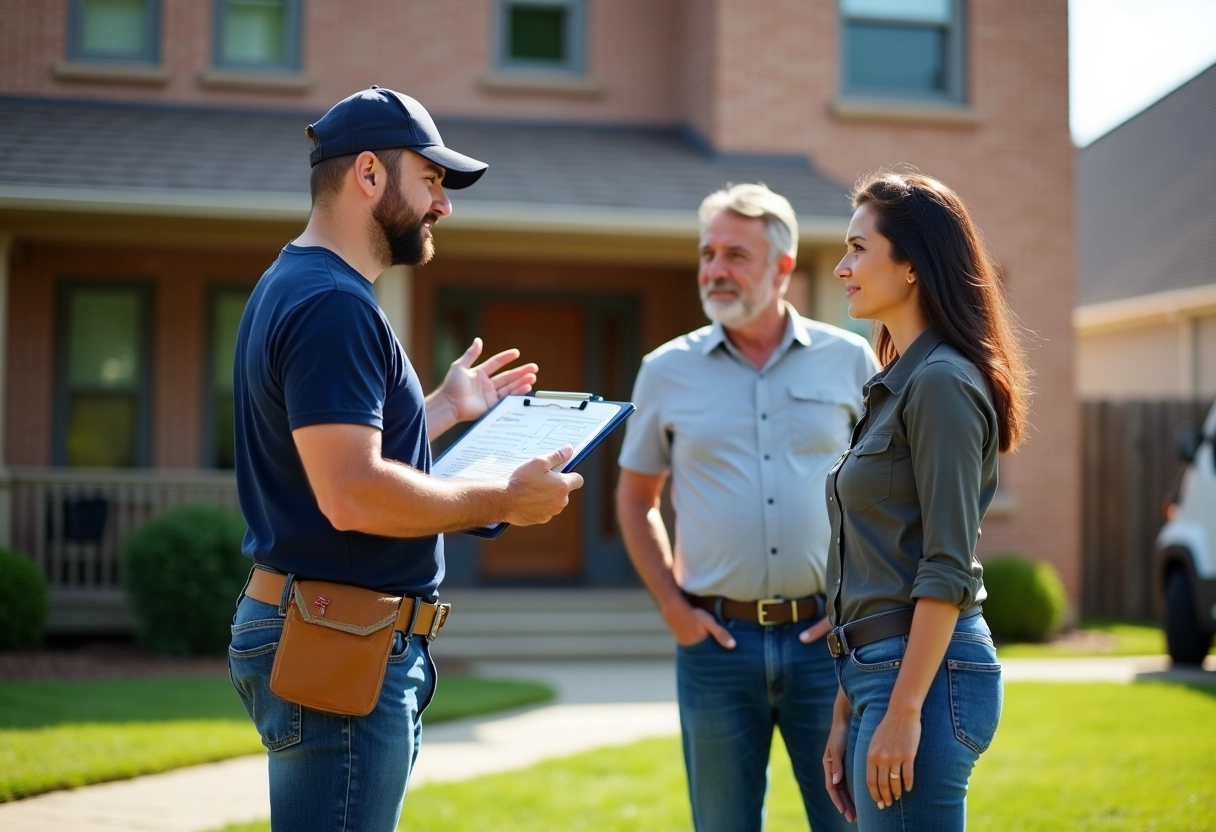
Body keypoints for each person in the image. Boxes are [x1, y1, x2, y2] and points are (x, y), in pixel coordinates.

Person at [228, 87, 583, 831]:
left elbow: (331, 454)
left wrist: (443, 410)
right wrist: (503, 502)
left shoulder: (295, 282)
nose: (443, 205)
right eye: (430, 180)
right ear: (367, 175)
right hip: (341, 638)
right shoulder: (335, 304)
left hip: (325, 625)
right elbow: (351, 494)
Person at [616, 183, 879, 832]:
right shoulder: (664, 370)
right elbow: (635, 498)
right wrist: (674, 609)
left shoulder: (849, 360)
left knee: (850, 822)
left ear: (782, 268)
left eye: (735, 254)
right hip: (715, 649)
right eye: (707, 253)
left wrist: (864, 607)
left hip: (831, 645)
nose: (714, 269)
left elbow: (887, 500)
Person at [821, 171, 1030, 831]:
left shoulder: (941, 382)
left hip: (923, 679)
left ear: (911, 264)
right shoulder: (896, 382)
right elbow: (876, 562)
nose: (841, 267)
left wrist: (904, 709)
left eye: (858, 249)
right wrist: (846, 708)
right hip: (876, 674)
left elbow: (947, 566)